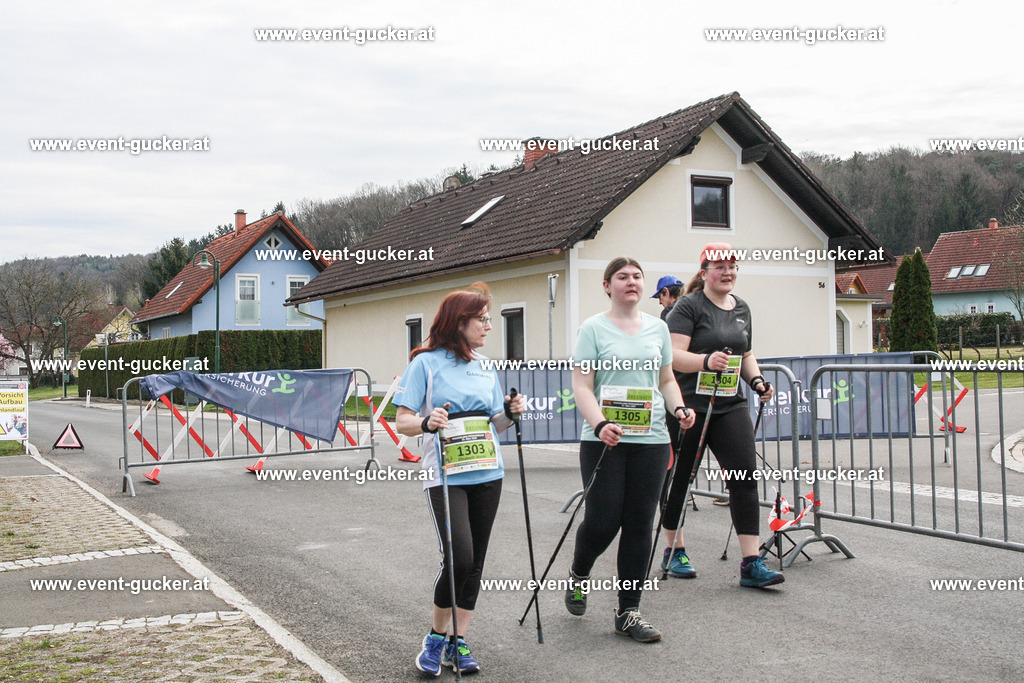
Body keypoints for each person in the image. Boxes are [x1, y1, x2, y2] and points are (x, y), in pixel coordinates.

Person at [395, 282, 526, 676]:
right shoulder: (425, 363)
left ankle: (458, 640)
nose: (489, 326)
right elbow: (402, 421)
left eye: (489, 319)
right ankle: (436, 637)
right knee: (460, 556)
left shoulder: (485, 366)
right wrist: (425, 421)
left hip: (488, 472)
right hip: (445, 475)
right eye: (482, 320)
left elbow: (495, 425)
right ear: (460, 321)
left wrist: (511, 413)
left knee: (476, 561)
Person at [564, 257, 696, 642]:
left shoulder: (658, 328)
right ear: (608, 286)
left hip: (652, 439)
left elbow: (667, 379)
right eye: (622, 277)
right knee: (604, 521)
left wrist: (680, 407)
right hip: (606, 440)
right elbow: (582, 385)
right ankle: (579, 572)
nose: (631, 282)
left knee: (640, 523)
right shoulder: (592, 328)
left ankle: (629, 612)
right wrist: (600, 423)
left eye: (637, 276)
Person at [660, 243, 780, 588]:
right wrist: (705, 361)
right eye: (719, 266)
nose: (727, 272)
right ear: (704, 272)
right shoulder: (687, 306)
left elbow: (747, 353)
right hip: (690, 406)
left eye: (732, 266)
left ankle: (751, 562)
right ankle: (675, 549)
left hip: (729, 404)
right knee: (680, 478)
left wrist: (756, 380)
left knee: (744, 477)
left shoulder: (741, 308)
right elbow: (672, 356)